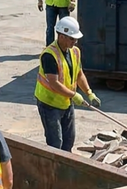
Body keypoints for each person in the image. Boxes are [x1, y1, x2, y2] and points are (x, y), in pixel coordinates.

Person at [34, 16, 98, 152]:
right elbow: (54, 83)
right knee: (55, 143)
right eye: (71, 38)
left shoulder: (75, 52)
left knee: (69, 141)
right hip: (49, 104)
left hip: (66, 102)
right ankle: (55, 170)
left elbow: (79, 74)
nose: (75, 41)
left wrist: (89, 93)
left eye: (75, 39)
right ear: (61, 36)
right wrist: (74, 95)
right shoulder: (49, 55)